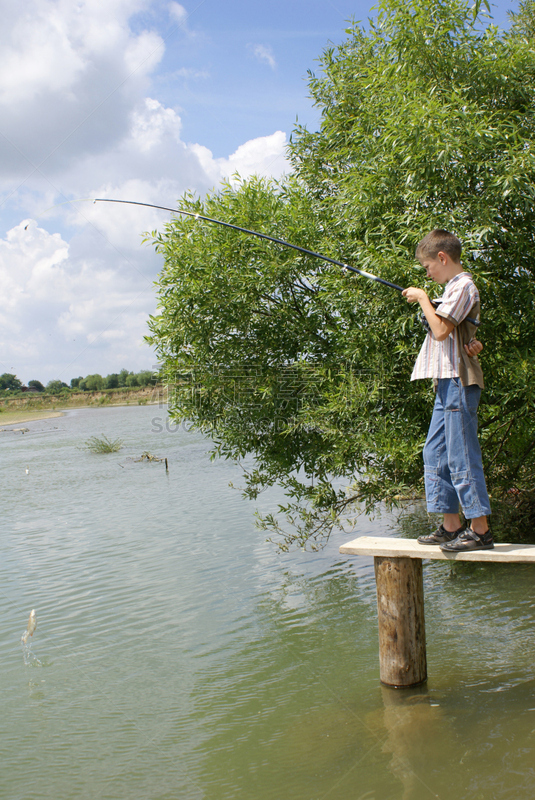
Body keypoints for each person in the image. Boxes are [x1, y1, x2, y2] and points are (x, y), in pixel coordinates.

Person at [402, 229, 493, 551]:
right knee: (435, 453)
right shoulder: (453, 289)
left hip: (458, 382)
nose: (427, 273)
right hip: (446, 383)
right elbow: (457, 332)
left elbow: (440, 330)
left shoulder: (463, 286)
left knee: (461, 456)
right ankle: (451, 525)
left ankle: (480, 530)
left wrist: (423, 298)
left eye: (428, 266)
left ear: (442, 258)